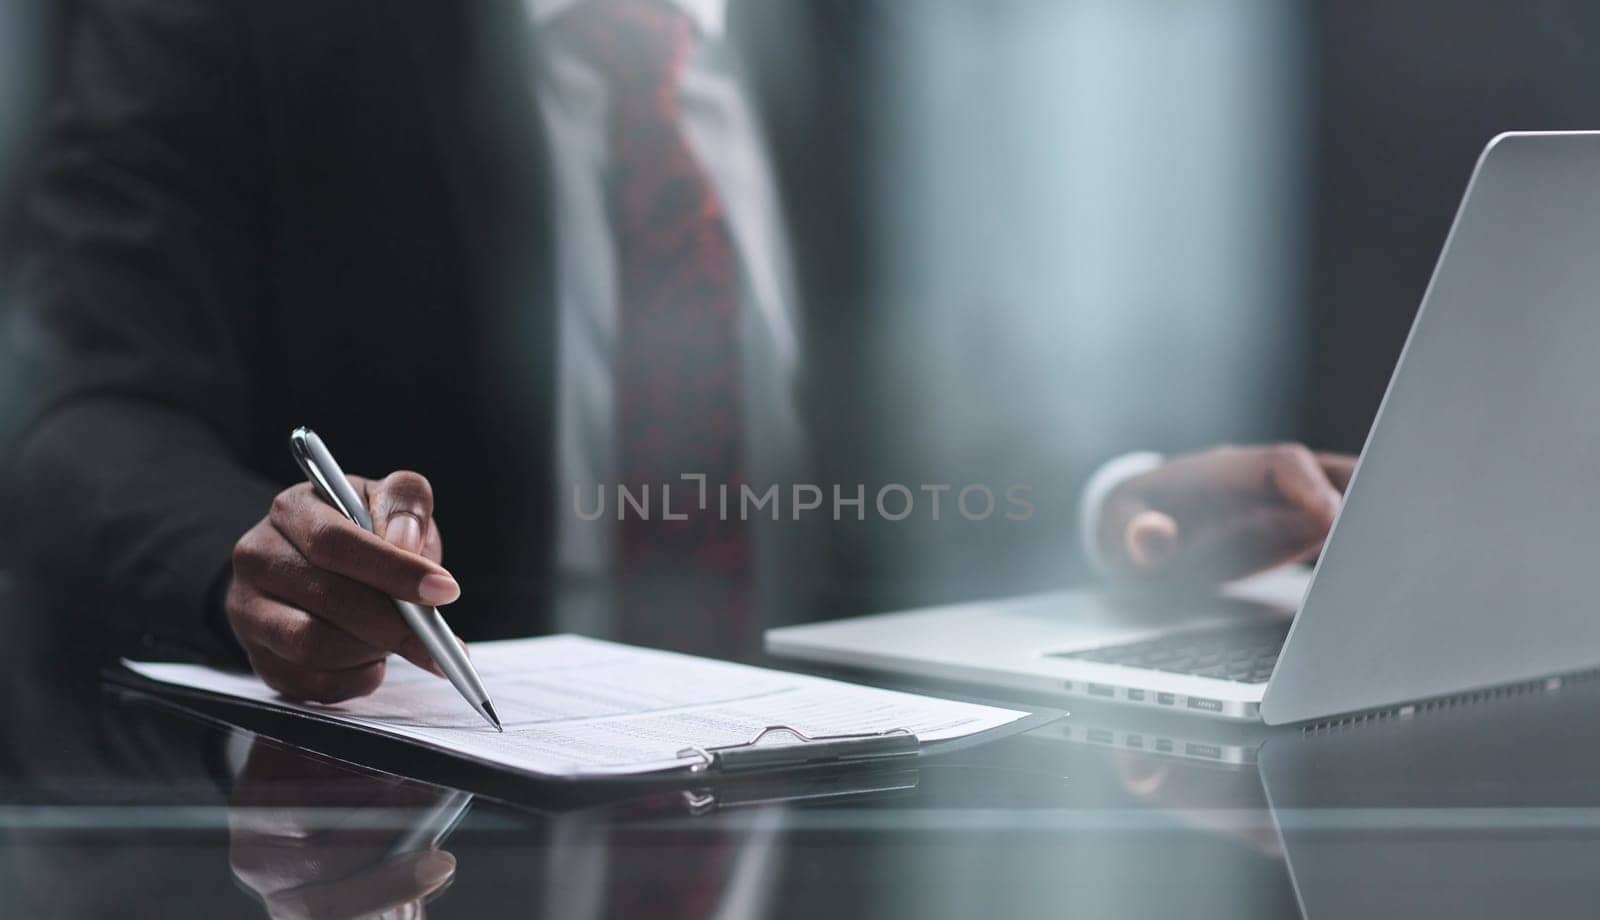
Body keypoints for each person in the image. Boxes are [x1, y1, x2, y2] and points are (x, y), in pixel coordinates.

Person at [4, 0, 1354, 704]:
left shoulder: (859, 36)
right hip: (426, 820)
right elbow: (78, 409)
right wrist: (264, 557)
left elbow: (876, 407)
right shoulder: (239, 25)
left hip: (831, 796)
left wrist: (1120, 510)